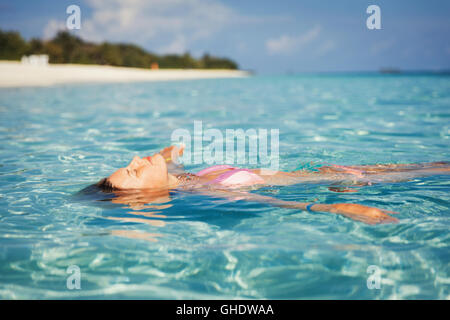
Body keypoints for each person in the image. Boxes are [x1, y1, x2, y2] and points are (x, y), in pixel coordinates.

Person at [93, 145, 450, 225]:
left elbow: (158, 164)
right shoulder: (202, 191)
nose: (135, 161)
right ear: (147, 196)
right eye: (133, 172)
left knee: (436, 165)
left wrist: (167, 155)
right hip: (342, 183)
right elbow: (270, 202)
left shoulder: (182, 177)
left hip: (326, 170)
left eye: (129, 164)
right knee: (435, 172)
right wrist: (335, 208)